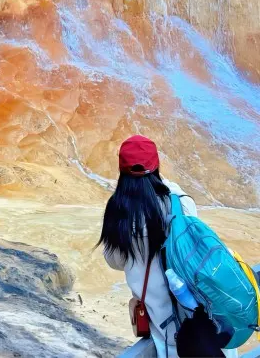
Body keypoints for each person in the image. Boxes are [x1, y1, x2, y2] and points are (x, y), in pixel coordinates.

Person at [98, 135, 237, 358]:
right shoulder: (180, 202)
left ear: (121, 170)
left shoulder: (118, 213)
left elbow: (114, 261)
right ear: (157, 165)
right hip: (207, 324)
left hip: (169, 335)